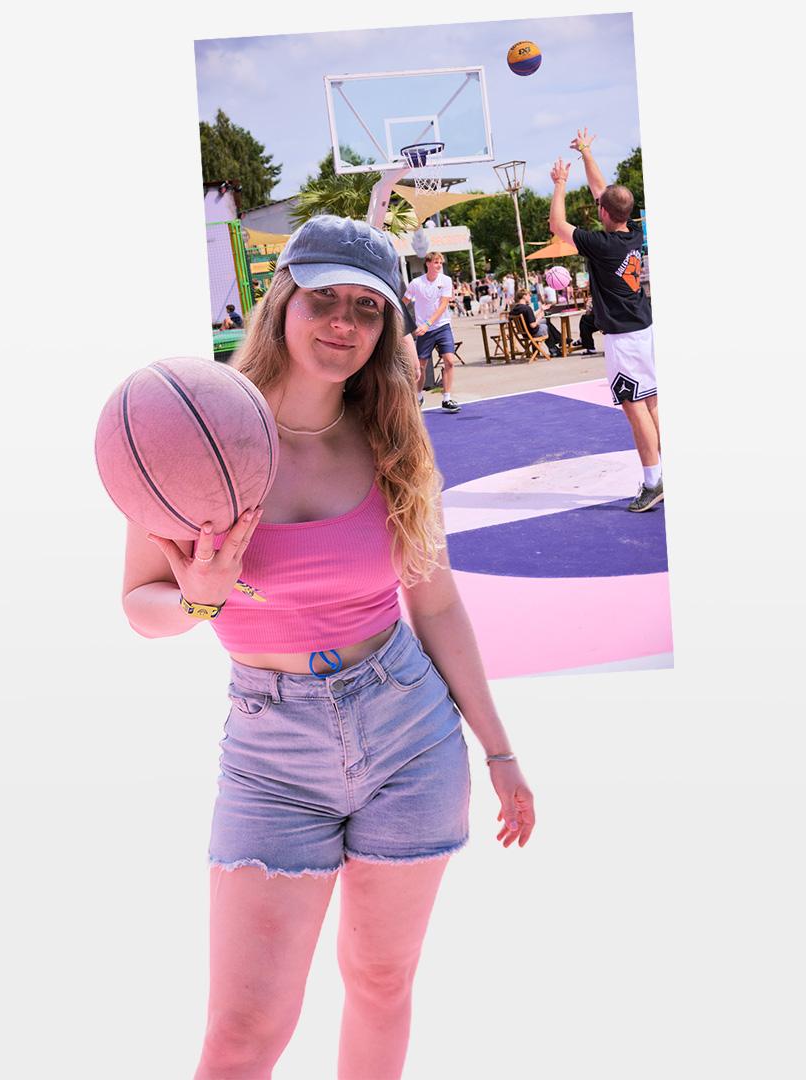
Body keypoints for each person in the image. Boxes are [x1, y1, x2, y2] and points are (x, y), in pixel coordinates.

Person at [123, 214, 534, 1079]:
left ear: (387, 326)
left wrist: (499, 750)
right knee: (242, 1035)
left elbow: (439, 603)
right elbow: (142, 607)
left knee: (381, 982)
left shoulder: (391, 435)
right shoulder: (189, 434)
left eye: (367, 307)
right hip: (272, 754)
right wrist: (199, 600)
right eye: (323, 299)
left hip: (408, 735)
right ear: (283, 302)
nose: (343, 322)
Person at [549, 128, 662, 512]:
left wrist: (561, 184)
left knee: (635, 408)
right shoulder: (632, 233)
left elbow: (557, 226)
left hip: (625, 338)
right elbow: (604, 193)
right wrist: (586, 153)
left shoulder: (602, 244)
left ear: (603, 214)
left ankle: (653, 480)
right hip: (644, 328)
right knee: (652, 403)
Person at [403, 251, 461, 412]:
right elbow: (404, 302)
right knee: (420, 367)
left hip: (442, 326)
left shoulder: (446, 281)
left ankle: (447, 399)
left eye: (440, 263)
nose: (439, 265)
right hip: (424, 331)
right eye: (436, 262)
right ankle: (419, 396)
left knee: (449, 361)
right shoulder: (416, 283)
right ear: (428, 263)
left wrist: (428, 324)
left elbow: (443, 305)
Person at [509, 288, 562, 356]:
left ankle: (557, 344)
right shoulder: (527, 308)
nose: (530, 297)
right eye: (529, 295)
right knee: (546, 326)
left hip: (524, 333)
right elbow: (533, 325)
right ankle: (556, 346)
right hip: (532, 332)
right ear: (524, 296)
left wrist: (541, 309)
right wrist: (540, 317)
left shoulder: (514, 309)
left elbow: (529, 316)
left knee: (545, 322)